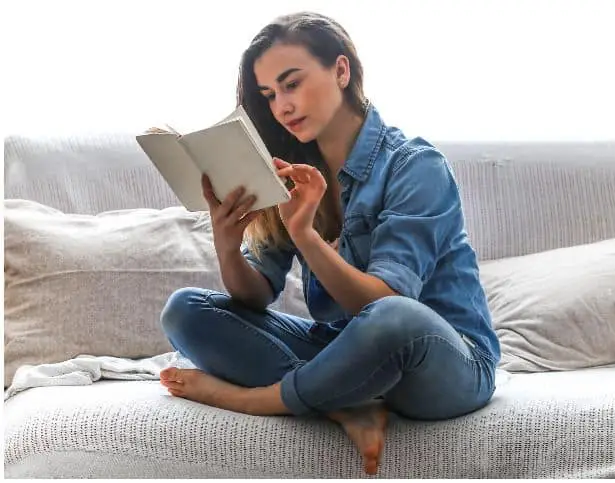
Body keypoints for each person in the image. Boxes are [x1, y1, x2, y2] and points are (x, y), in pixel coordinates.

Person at [158, 11, 500, 475]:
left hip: (445, 359)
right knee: (185, 310)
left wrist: (307, 236)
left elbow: (388, 304)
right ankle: (343, 403)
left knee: (392, 317)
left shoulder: (415, 165)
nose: (281, 106)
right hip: (346, 349)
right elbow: (255, 295)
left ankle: (260, 399)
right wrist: (226, 241)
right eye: (269, 95)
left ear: (341, 71)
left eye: (292, 84)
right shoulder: (292, 170)